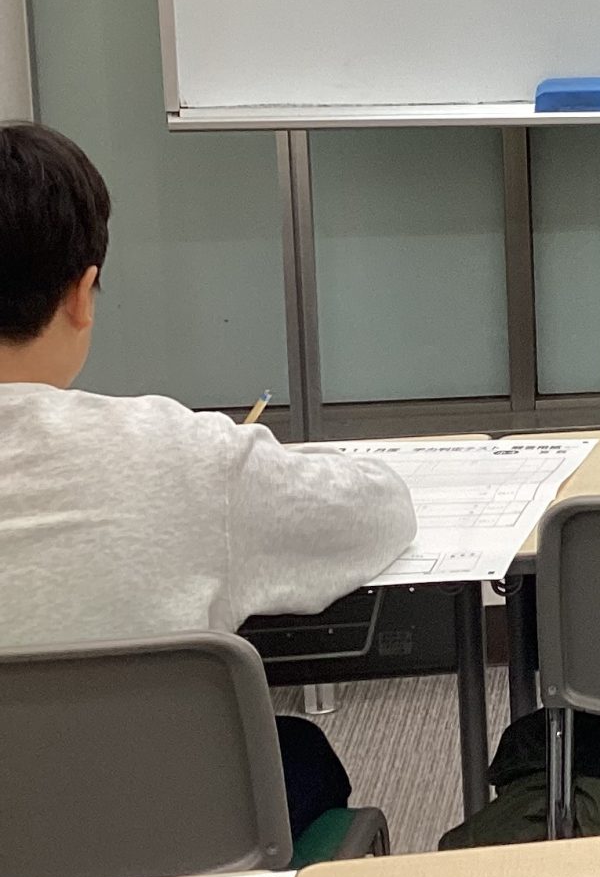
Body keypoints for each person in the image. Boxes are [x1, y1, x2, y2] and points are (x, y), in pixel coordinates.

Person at [0, 121, 414, 839]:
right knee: (296, 753)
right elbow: (380, 513)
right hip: (162, 838)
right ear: (82, 294)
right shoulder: (181, 453)